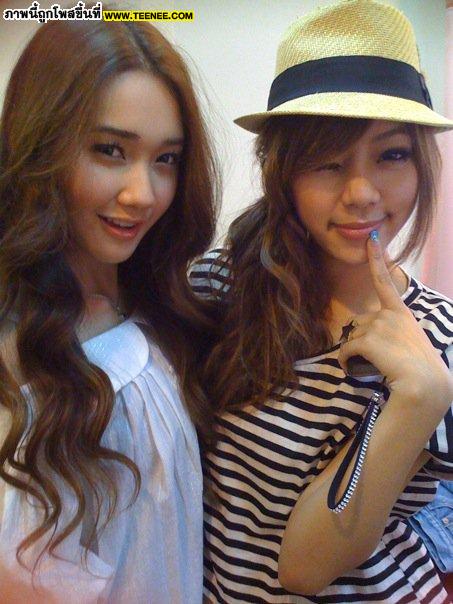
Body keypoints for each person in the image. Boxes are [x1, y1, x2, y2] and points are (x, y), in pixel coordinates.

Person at [190, 1, 453, 602]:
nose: (361, 193)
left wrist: (419, 398)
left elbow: (306, 567)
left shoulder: (439, 339)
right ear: (283, 173)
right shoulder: (221, 289)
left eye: (392, 155)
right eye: (326, 161)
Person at [0, 12, 218, 604]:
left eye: (166, 159)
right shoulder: (24, 368)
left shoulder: (163, 308)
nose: (143, 194)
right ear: (40, 146)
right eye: (109, 150)